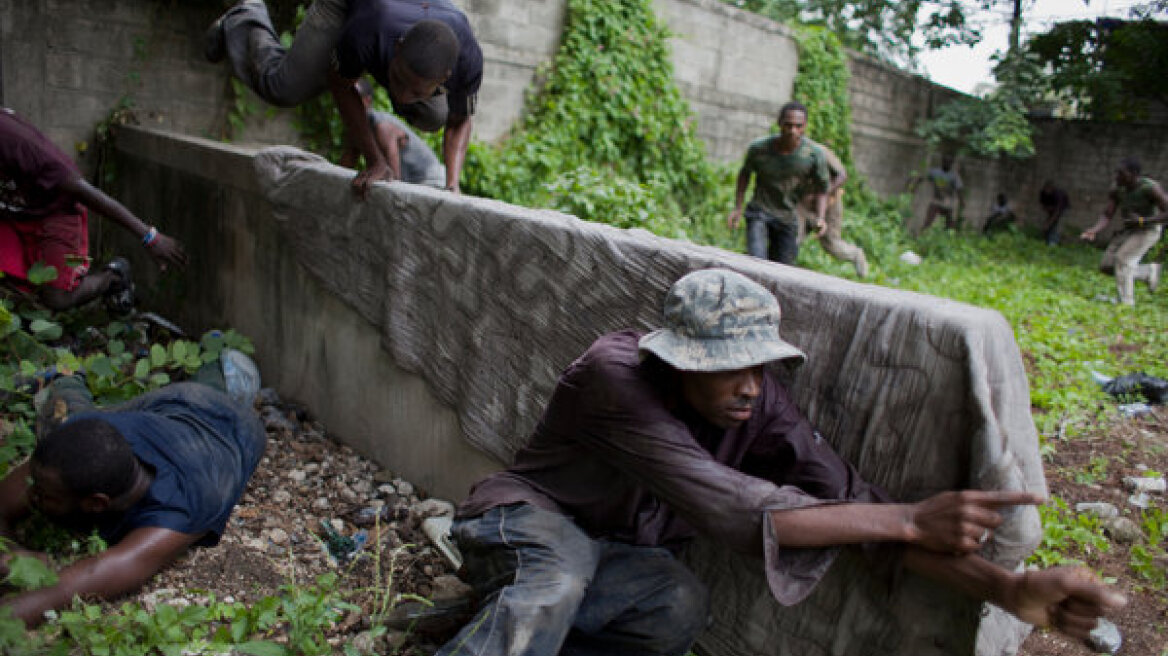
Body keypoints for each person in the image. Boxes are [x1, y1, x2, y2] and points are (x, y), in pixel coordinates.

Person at [432, 268, 1126, 656]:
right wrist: (912, 518)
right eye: (728, 368)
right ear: (675, 361)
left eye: (761, 366)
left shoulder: (756, 402)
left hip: (609, 553)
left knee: (675, 605)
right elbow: (731, 505)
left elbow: (861, 513)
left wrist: (1004, 589)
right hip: (529, 520)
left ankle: (489, 633)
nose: (750, 384)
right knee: (555, 578)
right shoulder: (616, 376)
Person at [0, 358, 265, 627]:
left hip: (236, 427)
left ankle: (64, 377)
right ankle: (66, 376)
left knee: (229, 368)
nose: (31, 494)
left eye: (44, 494)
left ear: (96, 503)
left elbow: (67, 589)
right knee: (64, 423)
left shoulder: (178, 511)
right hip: (172, 404)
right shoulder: (89, 441)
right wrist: (13, 556)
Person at [205, 0, 482, 195]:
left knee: (434, 115)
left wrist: (452, 186)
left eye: (417, 91)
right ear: (396, 49)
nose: (402, 96)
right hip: (351, 7)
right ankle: (246, 15)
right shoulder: (368, 29)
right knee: (283, 88)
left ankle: (392, 74)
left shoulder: (468, 61)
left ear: (445, 77)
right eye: (397, 81)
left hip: (407, 15)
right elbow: (340, 85)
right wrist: (376, 162)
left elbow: (459, 121)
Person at [0, 108, 186, 311]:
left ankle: (113, 278)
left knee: (56, 299)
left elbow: (84, 191)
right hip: (13, 214)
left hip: (54, 213)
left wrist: (149, 236)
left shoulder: (16, 141)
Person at [728, 102, 831, 266]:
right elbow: (745, 173)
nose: (792, 131)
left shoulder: (812, 154)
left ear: (804, 127)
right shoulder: (759, 148)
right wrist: (738, 208)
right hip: (759, 212)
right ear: (780, 123)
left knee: (783, 269)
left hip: (787, 216)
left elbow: (822, 188)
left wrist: (820, 217)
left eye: (798, 126)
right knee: (756, 262)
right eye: (788, 125)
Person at [1080, 157, 1166, 306]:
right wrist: (1094, 230)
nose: (1117, 177)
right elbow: (1108, 213)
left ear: (1133, 175)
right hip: (1130, 230)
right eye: (1116, 173)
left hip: (1148, 230)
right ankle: (1147, 272)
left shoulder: (1150, 188)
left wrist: (1142, 221)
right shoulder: (1117, 189)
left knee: (1123, 260)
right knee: (1107, 266)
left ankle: (1126, 303)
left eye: (1121, 174)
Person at [338, 79, 446, 188]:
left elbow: (393, 180)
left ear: (367, 101)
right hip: (411, 181)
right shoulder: (358, 129)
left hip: (430, 178)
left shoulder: (382, 125)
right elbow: (346, 164)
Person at [797, 139, 869, 277]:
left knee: (831, 243)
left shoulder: (819, 151)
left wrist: (825, 192)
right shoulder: (782, 150)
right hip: (803, 204)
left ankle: (856, 256)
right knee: (792, 237)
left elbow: (842, 175)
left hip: (830, 201)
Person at [909, 154, 964, 231]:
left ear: (952, 163)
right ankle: (922, 236)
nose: (947, 164)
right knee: (928, 222)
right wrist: (914, 187)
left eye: (949, 162)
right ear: (942, 161)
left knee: (950, 225)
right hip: (936, 201)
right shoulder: (935, 172)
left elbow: (959, 190)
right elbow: (922, 177)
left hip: (948, 203)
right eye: (945, 161)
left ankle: (948, 238)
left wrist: (961, 202)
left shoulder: (954, 176)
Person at [1039, 181, 1070, 246]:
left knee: (1056, 226)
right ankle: (1046, 240)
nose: (1047, 191)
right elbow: (1042, 205)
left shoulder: (1058, 195)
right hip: (1053, 209)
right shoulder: (1043, 193)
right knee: (1048, 225)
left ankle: (1053, 244)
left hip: (1063, 209)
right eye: (1046, 189)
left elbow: (1057, 212)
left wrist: (1048, 223)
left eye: (1049, 189)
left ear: (1052, 189)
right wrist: (1048, 209)